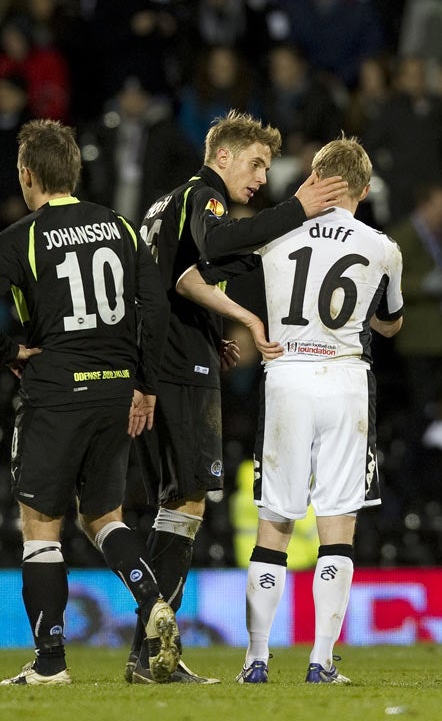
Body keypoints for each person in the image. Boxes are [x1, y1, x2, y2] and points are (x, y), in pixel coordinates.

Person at [123, 110, 348, 684]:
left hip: (160, 359)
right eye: (255, 164)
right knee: (188, 502)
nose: (258, 178)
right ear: (222, 156)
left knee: (175, 502)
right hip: (175, 366)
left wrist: (215, 326)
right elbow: (218, 242)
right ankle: (152, 651)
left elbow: (188, 273)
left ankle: (147, 651)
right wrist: (296, 210)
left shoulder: (165, 204)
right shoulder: (205, 196)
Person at [176, 134, 403, 684]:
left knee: (273, 526)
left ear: (313, 178)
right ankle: (321, 660)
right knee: (337, 526)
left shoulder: (273, 236)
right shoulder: (382, 247)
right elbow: (391, 322)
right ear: (364, 189)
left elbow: (192, 278)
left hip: (286, 374)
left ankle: (255, 659)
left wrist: (250, 319)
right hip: (346, 380)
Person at [0, 120, 177, 684]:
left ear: (28, 175)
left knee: (40, 524)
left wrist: (11, 350)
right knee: (104, 516)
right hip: (115, 390)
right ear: (74, 171)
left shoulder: (21, 237)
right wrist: (144, 383)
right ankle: (151, 599)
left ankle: (51, 662)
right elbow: (156, 310)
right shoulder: (122, 228)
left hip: (55, 391)